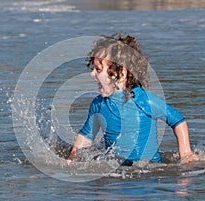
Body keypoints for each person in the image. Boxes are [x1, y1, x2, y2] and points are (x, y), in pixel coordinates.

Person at [67, 34, 198, 165]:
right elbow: (86, 135)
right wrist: (73, 156)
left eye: (98, 69)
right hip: (115, 174)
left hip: (150, 171)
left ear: (121, 74)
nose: (92, 74)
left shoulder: (146, 102)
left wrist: (186, 152)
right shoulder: (98, 105)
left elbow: (177, 121)